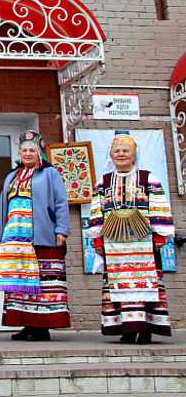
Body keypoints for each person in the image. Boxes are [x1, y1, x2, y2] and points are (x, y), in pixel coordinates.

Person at [86, 134, 174, 344]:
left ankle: (145, 330)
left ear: (134, 155)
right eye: (117, 151)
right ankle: (126, 330)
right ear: (111, 156)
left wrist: (160, 236)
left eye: (126, 151)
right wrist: (97, 241)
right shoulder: (104, 182)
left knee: (146, 284)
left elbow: (159, 206)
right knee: (118, 286)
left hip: (144, 244)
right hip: (115, 245)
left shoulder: (148, 179)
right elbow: (97, 212)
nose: (121, 154)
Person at [0, 130, 70, 341]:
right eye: (24, 150)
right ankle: (28, 324)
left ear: (40, 154)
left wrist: (61, 230)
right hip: (15, 236)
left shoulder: (50, 173)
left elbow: (60, 202)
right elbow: (4, 207)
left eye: (32, 150)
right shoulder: (12, 175)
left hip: (41, 235)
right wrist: (1, 234)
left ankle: (41, 327)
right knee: (21, 281)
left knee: (43, 281)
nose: (28, 154)